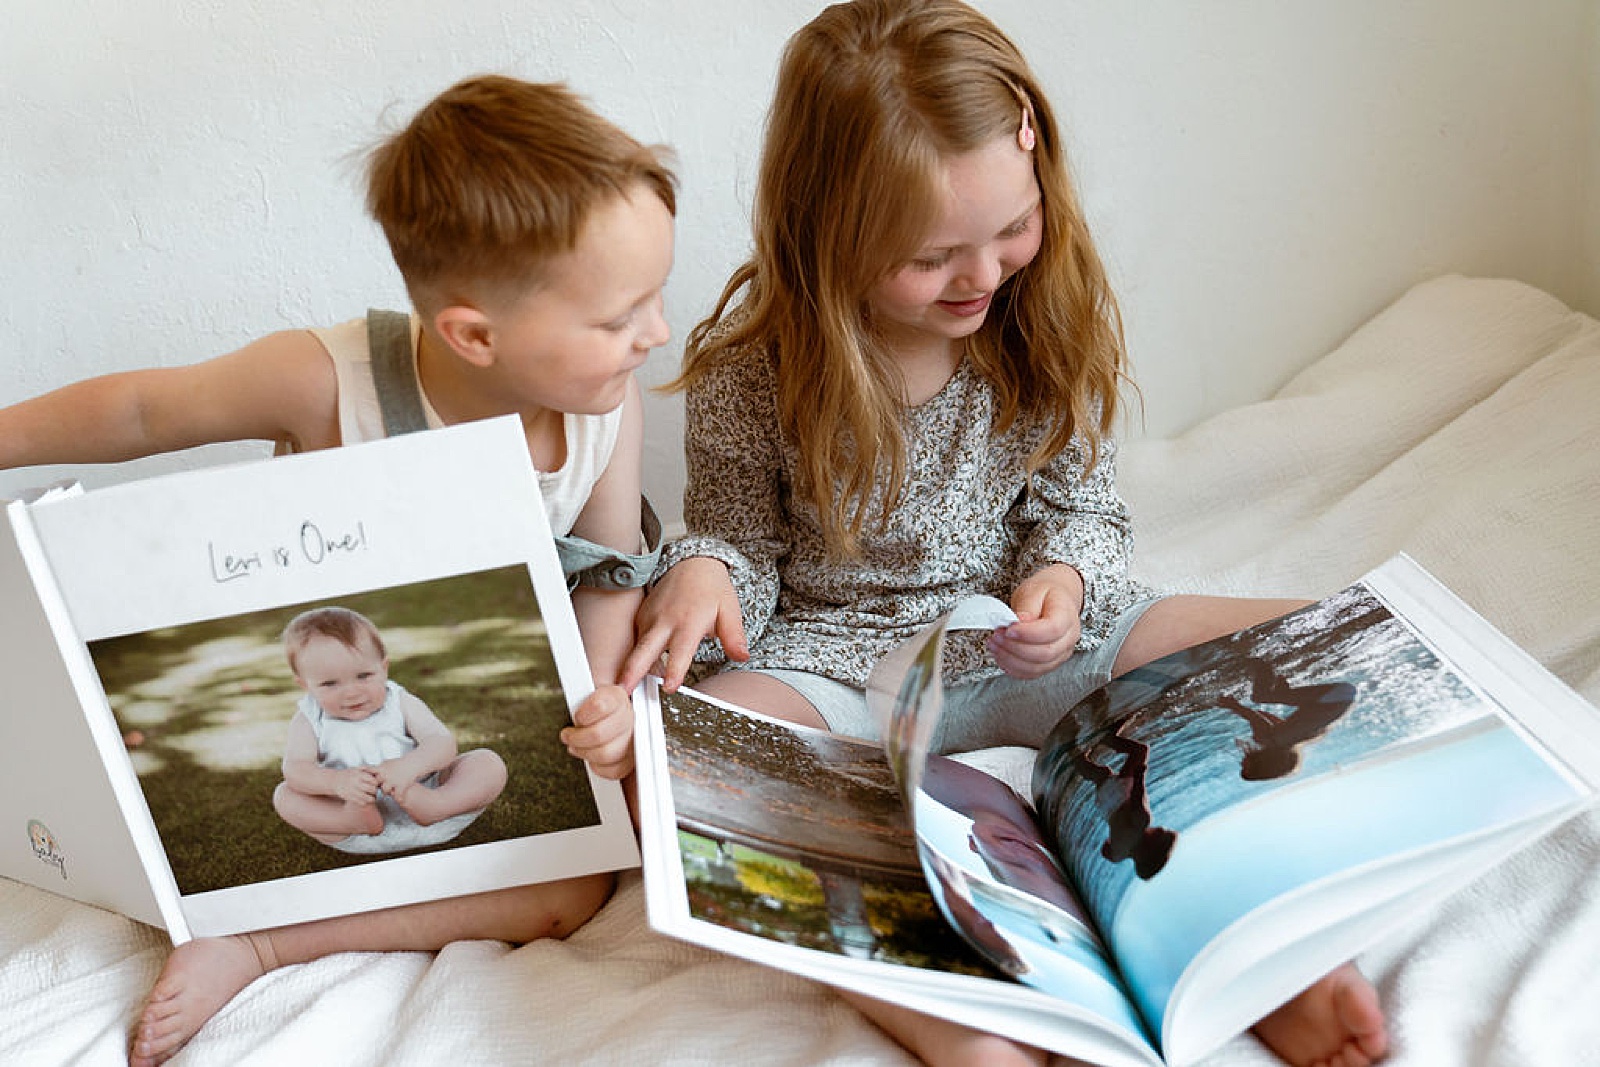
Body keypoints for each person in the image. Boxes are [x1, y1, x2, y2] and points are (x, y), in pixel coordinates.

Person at [619, 2, 1387, 1065]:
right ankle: (970, 1019)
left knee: (1333, 640)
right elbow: (740, 543)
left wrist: (1063, 576)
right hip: (843, 666)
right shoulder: (755, 368)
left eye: (1010, 229)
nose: (982, 274)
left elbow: (1083, 503)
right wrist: (706, 570)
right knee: (696, 768)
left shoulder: (1038, 314)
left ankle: (1251, 950)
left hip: (1034, 640)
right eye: (933, 255)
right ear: (830, 228)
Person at [0, 75, 674, 1065]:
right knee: (238, 799)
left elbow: (612, 573)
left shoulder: (603, 407)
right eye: (623, 316)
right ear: (473, 334)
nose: (653, 333)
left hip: (455, 737)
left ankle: (268, 944)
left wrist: (600, 699)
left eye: (654, 299)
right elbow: (145, 410)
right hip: (325, 709)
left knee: (573, 889)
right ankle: (253, 911)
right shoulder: (328, 379)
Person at [275, 606, 508, 852]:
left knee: (487, 762)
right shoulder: (309, 718)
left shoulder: (398, 701)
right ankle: (349, 819)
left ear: (384, 668)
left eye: (364, 676)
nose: (352, 692)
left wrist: (410, 767)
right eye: (330, 684)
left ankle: (438, 803)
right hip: (357, 823)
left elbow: (440, 741)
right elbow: (296, 768)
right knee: (284, 795)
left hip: (425, 799)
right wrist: (336, 783)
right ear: (305, 685)